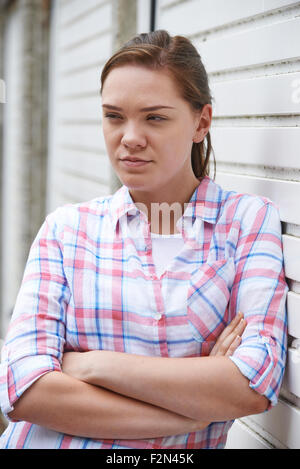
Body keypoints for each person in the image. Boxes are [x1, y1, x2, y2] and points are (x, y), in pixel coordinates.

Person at [0, 30, 288, 449]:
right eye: (114, 116)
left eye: (154, 117)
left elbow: (252, 384)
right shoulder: (66, 230)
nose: (130, 137)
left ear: (200, 122)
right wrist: (201, 403)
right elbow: (25, 390)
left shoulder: (245, 223)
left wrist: (93, 366)